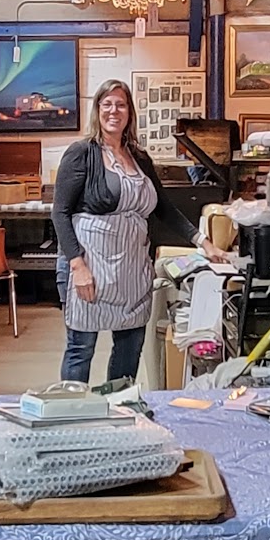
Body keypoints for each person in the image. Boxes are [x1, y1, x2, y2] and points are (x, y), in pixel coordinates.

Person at [52, 78, 228, 384]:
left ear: (130, 112)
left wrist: (204, 243)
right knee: (81, 349)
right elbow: (60, 213)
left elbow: (164, 208)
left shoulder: (139, 158)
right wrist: (77, 266)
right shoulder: (82, 153)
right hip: (90, 266)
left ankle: (118, 403)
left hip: (132, 270)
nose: (114, 111)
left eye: (121, 105)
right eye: (107, 104)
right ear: (97, 110)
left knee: (129, 349)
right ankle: (73, 409)